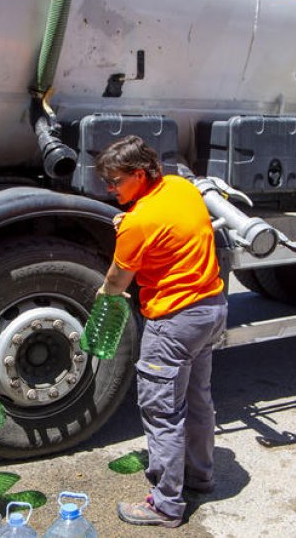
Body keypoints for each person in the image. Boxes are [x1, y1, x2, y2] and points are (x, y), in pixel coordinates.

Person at [94, 136, 226, 529]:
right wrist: (130, 217)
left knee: (163, 413)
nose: (110, 189)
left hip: (174, 322)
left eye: (115, 182)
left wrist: (102, 294)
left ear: (139, 174)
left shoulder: (139, 222)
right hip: (212, 309)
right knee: (198, 399)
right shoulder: (182, 189)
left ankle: (166, 505)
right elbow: (169, 228)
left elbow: (117, 282)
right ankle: (200, 478)